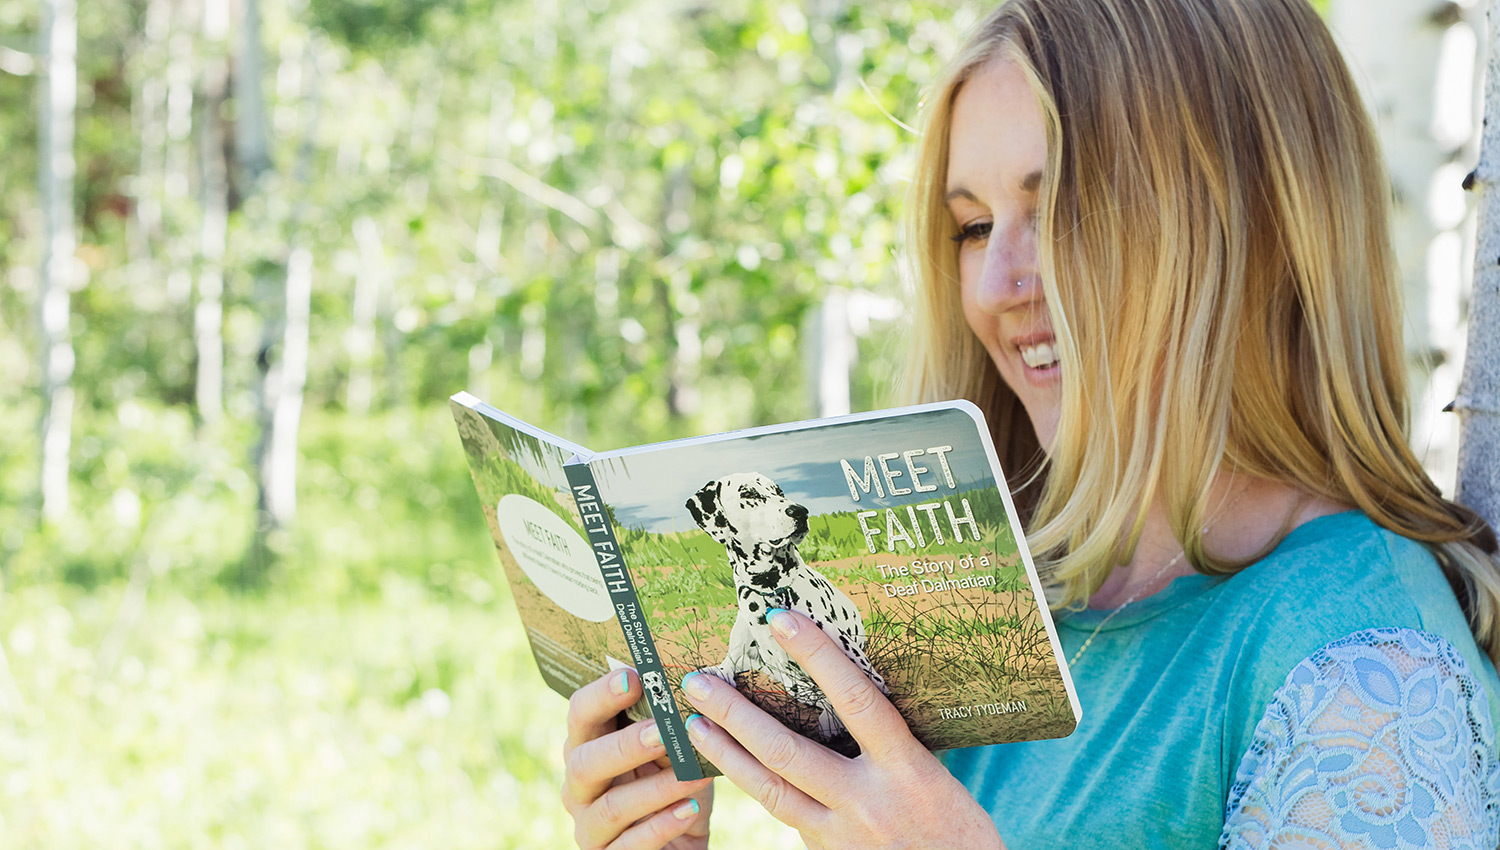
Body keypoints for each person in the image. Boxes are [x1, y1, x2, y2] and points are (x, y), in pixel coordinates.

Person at [557, 0, 1500, 846]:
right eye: (972, 227)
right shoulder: (990, 606)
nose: (999, 286)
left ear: (1247, 225)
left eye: (1064, 211)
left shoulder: (1367, 669)